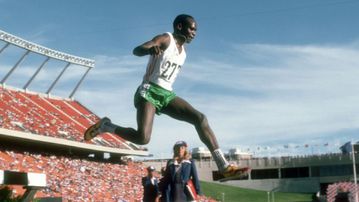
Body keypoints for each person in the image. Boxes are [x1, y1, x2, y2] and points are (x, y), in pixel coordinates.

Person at [84, 14, 248, 178]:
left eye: (195, 30)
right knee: (143, 138)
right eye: (191, 28)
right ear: (179, 27)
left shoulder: (183, 52)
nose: (194, 32)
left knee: (200, 119)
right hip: (149, 91)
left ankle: (223, 166)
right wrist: (149, 49)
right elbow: (137, 50)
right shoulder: (165, 38)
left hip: (167, 94)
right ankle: (107, 126)